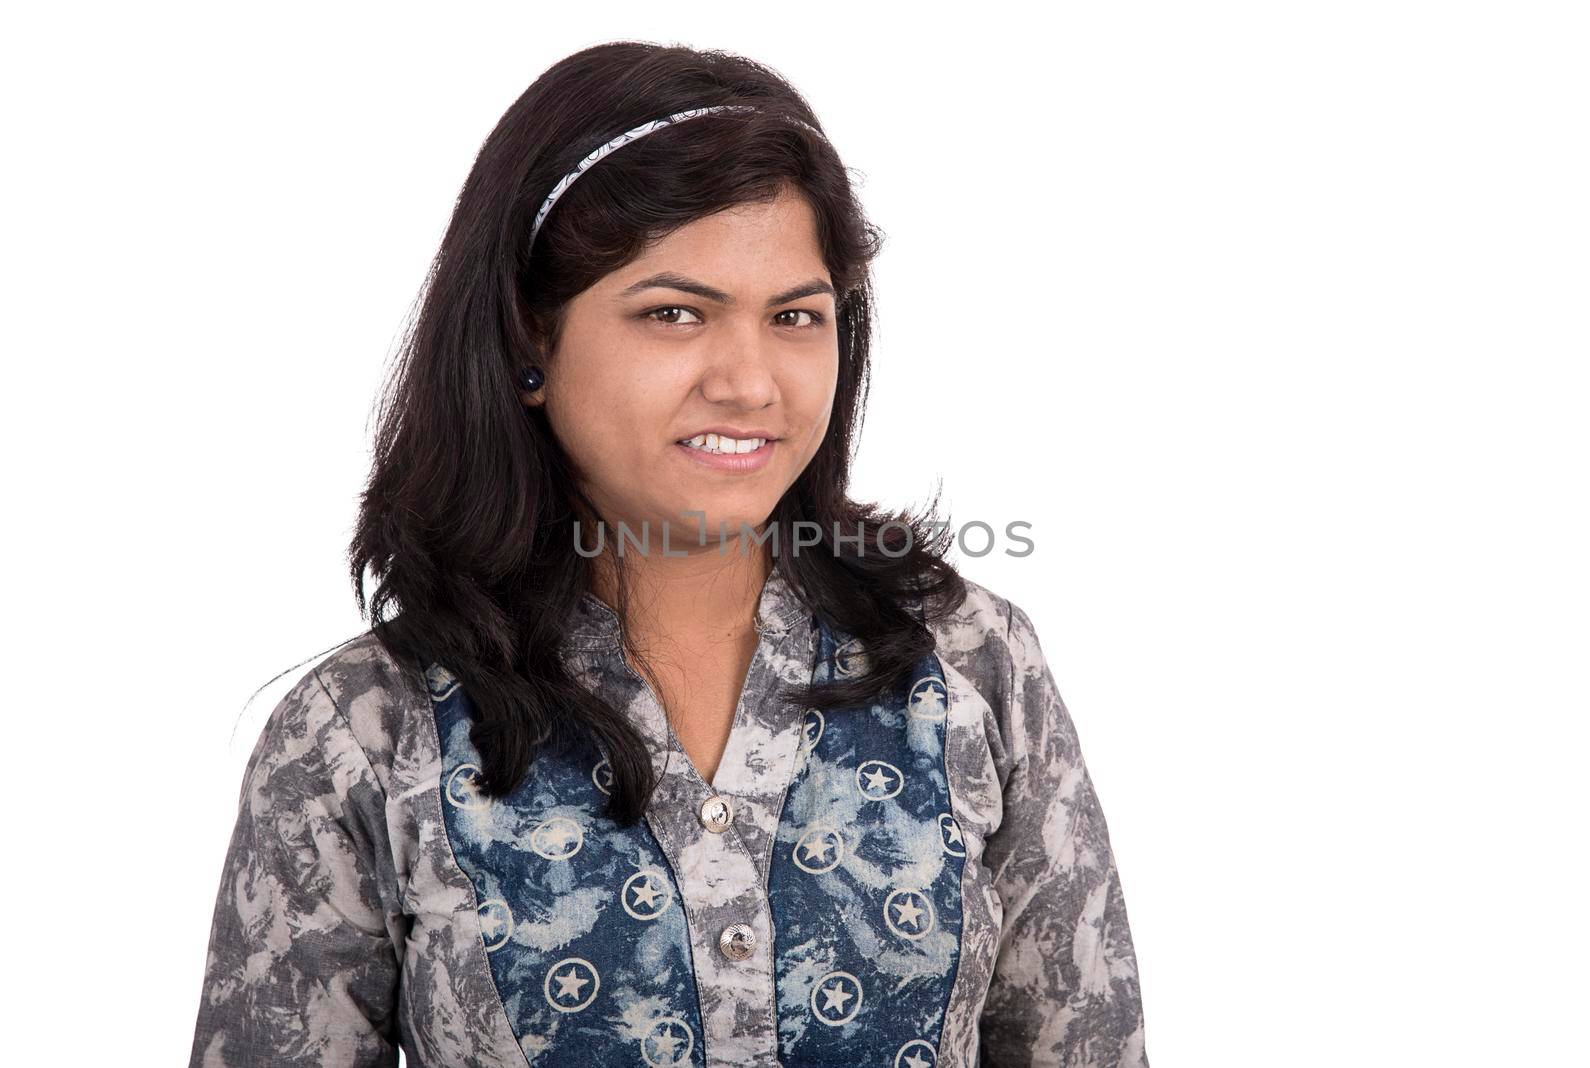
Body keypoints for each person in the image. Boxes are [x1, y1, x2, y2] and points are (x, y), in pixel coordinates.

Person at [186, 40, 1148, 1068]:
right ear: (526, 344)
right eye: (674, 314)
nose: (748, 382)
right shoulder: (365, 732)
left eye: (794, 316)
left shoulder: (966, 668)